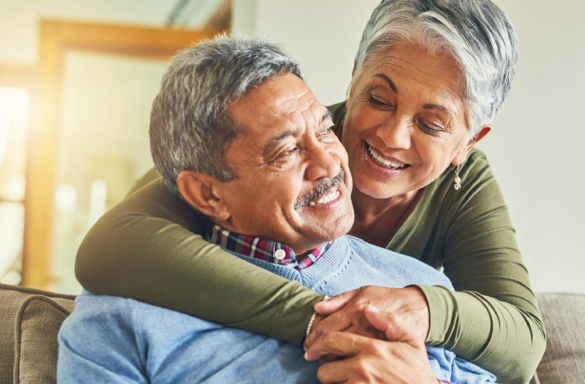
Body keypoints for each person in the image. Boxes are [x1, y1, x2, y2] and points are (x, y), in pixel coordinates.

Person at [75, 1, 546, 382]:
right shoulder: (249, 140)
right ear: (355, 74)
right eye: (379, 99)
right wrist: (329, 320)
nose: (392, 136)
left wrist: (422, 308)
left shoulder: (441, 234)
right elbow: (110, 248)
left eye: (431, 124)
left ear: (468, 142)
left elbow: (521, 343)